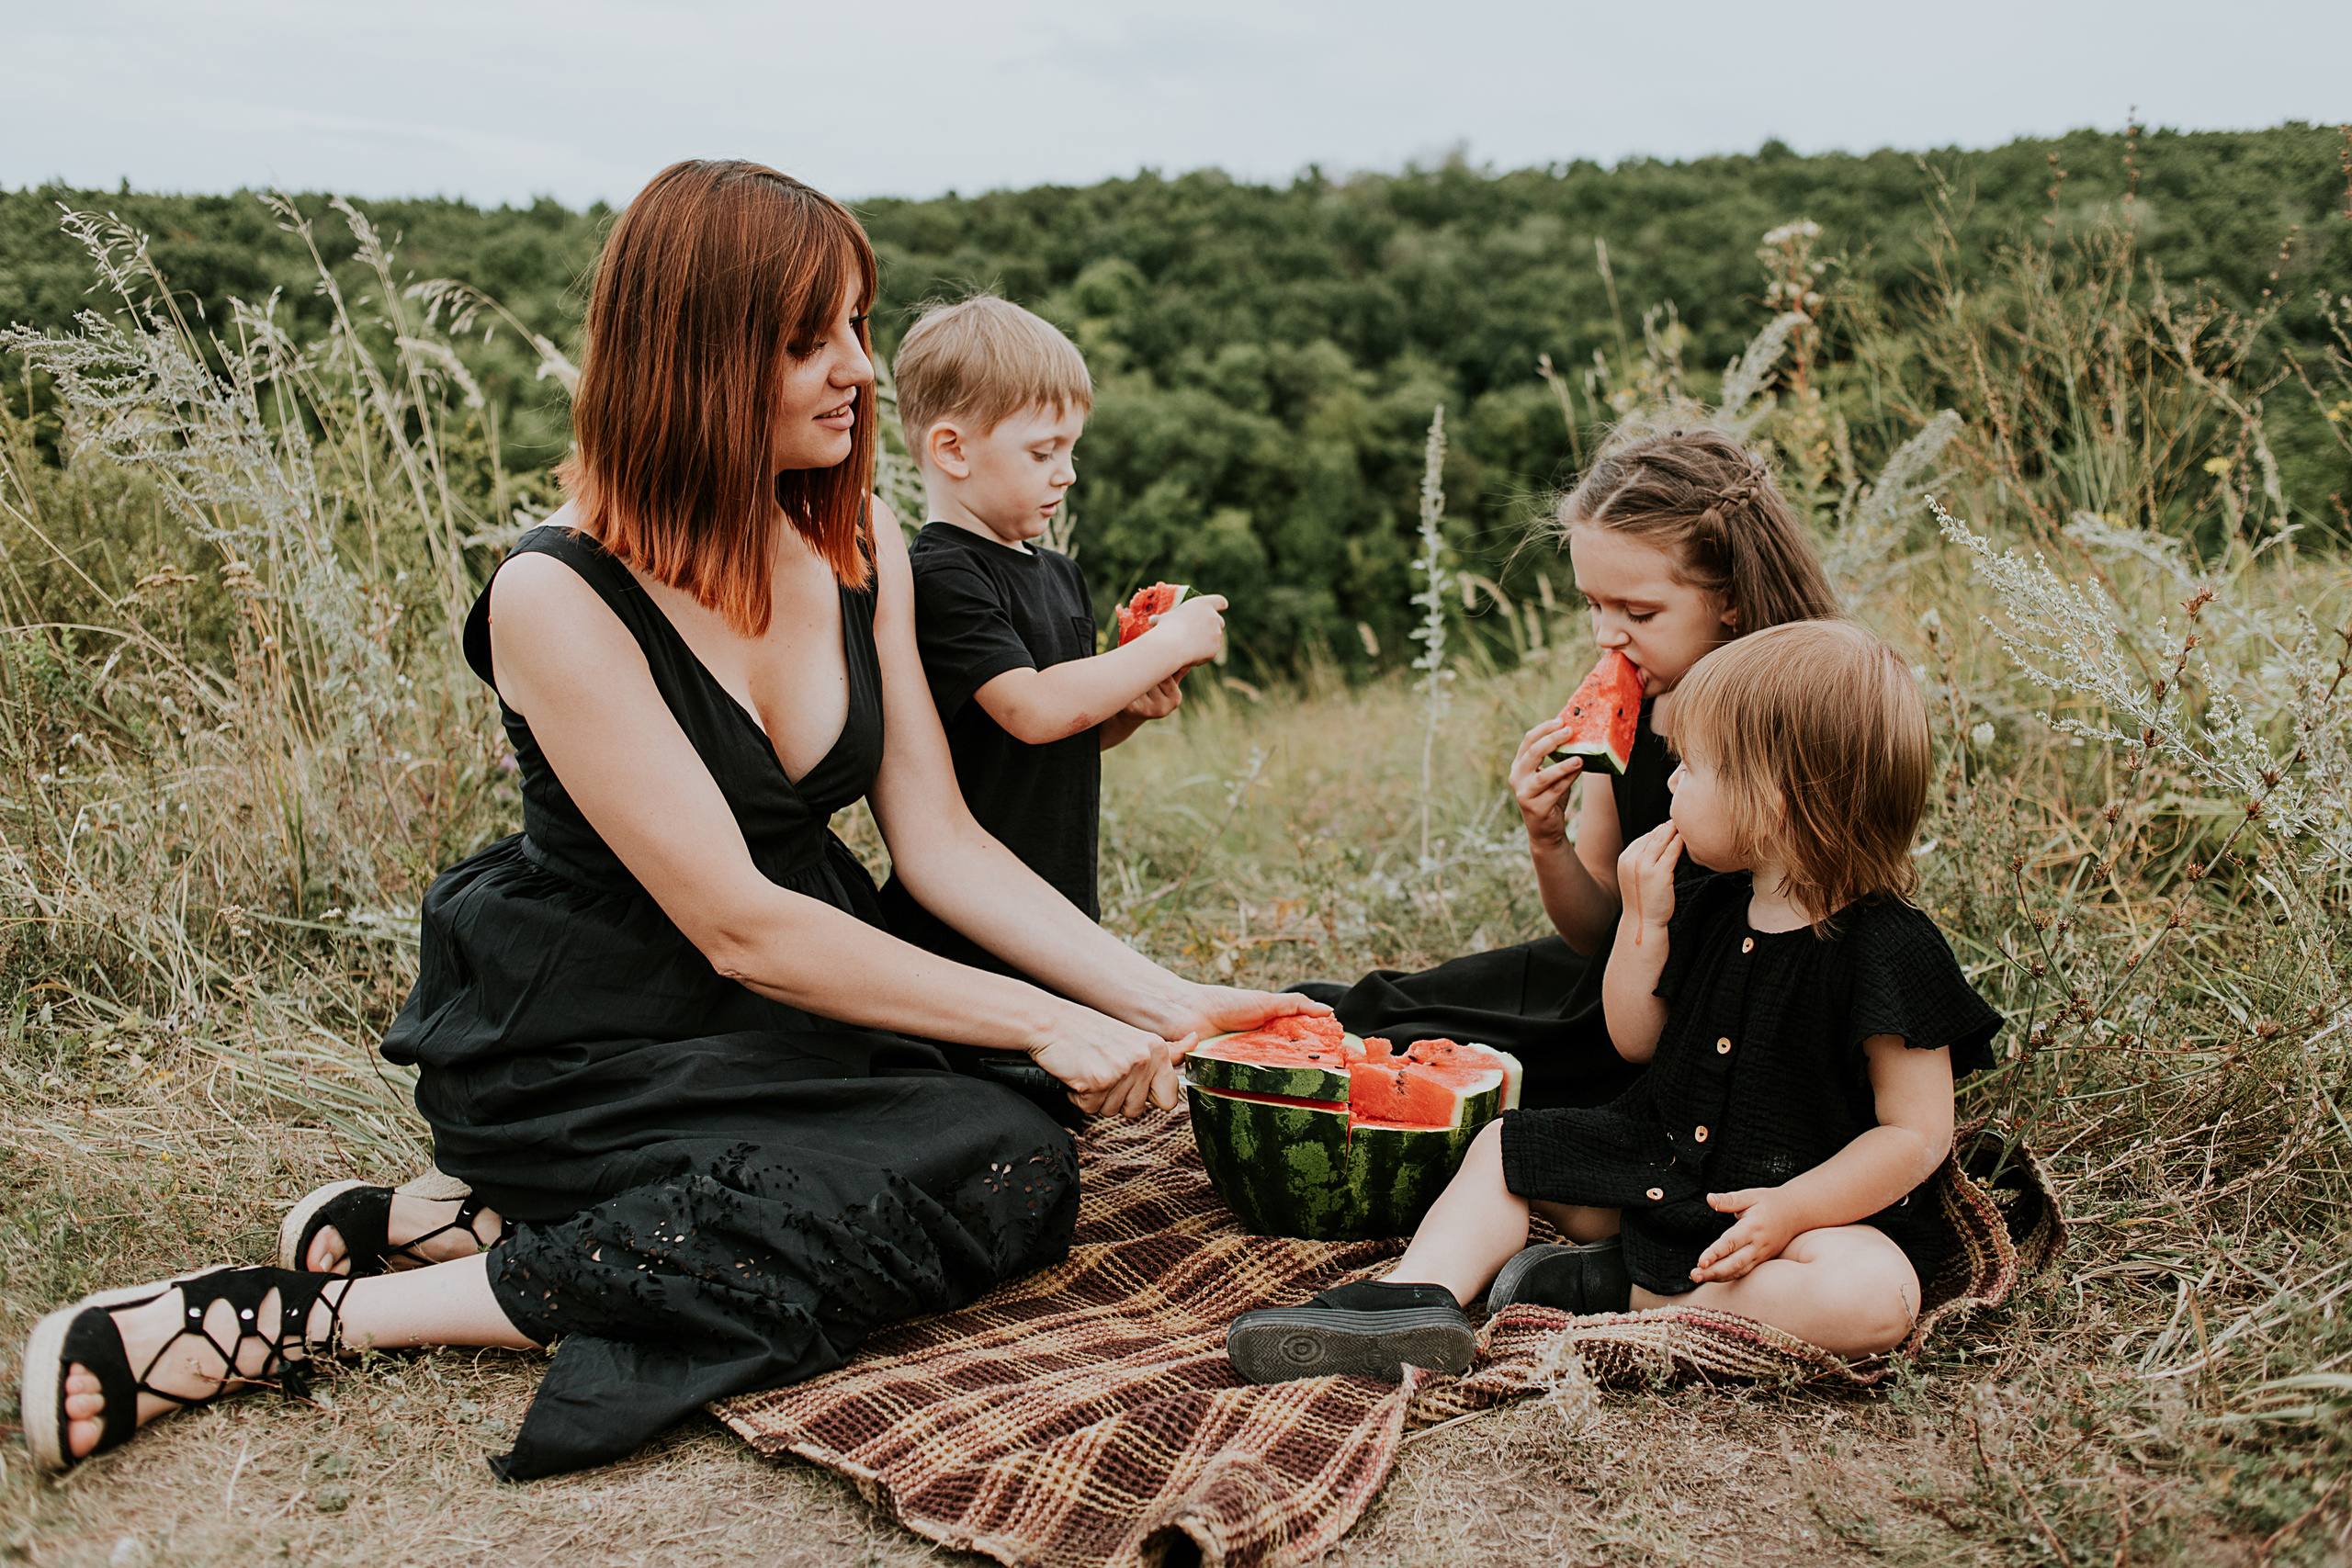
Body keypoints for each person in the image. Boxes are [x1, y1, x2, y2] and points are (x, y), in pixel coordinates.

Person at [22, 160, 1318, 1482]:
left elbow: (940, 843)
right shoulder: (556, 588)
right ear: (697, 353)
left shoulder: (861, 542)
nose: (860, 372)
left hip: (788, 1002)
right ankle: (305, 1316)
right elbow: (739, 920)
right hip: (596, 1021)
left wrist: (1173, 1001)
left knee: (1011, 1139)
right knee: (980, 1150)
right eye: (812, 339)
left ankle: (463, 1222)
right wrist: (1049, 1015)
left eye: (859, 328)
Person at [1227, 620, 2002, 1380]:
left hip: (1809, 1220)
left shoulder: (1890, 949)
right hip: (1659, 1170)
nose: (1669, 782)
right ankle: (1413, 1297)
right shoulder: (1707, 900)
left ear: (1773, 797)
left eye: (1691, 767)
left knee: (1876, 1297)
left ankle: (1616, 1290)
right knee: (1505, 1147)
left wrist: (1794, 1209)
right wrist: (1643, 921)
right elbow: (1637, 1039)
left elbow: (1915, 1134)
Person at [1290, 423, 1840, 1109]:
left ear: (1730, 598)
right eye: (1592, 604)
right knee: (1365, 1008)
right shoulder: (1633, 710)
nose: (1606, 635)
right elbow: (1590, 933)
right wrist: (1546, 837)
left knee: (1448, 1068)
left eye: (1638, 611)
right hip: (1597, 978)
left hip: (1677, 1023)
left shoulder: (1800, 726)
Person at [874, 295, 1224, 984]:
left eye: (1070, 449)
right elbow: (1031, 711)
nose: (1067, 473)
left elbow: (1065, 734)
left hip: (1056, 909)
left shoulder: (1061, 575)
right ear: (953, 449)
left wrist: (1125, 707)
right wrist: (1164, 643)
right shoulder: (942, 574)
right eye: (1043, 452)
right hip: (964, 926)